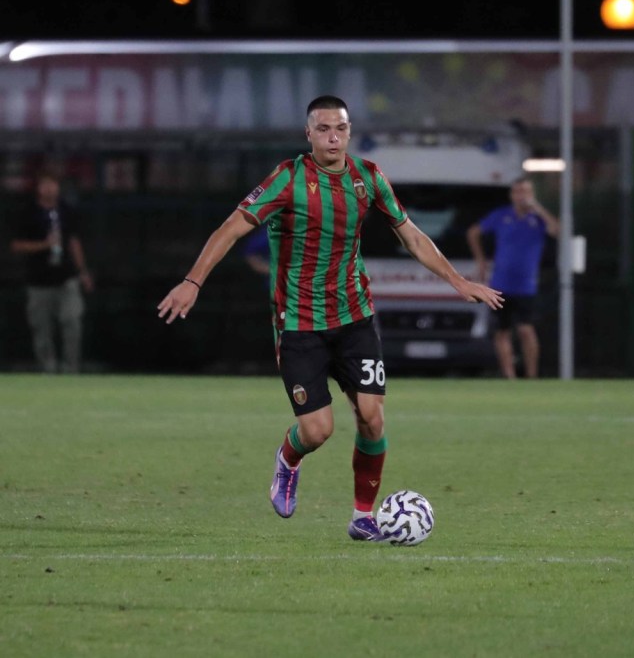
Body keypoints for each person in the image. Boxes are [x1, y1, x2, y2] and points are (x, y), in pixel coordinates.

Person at [157, 95, 503, 541]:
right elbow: (231, 228)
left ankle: (363, 516)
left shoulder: (368, 177)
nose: (333, 137)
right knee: (318, 430)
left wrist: (458, 282)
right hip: (300, 322)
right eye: (323, 129)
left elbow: (412, 236)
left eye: (339, 128)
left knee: (372, 418)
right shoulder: (288, 179)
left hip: (355, 316)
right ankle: (288, 460)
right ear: (309, 134)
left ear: (350, 131)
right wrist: (193, 281)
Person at [466, 176, 559, 378]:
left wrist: (538, 208)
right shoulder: (501, 216)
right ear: (512, 195)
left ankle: (531, 376)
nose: (522, 196)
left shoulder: (538, 220)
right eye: (518, 192)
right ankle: (510, 377)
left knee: (526, 329)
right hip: (500, 283)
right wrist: (480, 260)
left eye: (526, 192)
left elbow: (557, 230)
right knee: (502, 331)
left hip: (527, 285)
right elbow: (473, 232)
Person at [10, 172, 95, 373]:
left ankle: (70, 369)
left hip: (66, 278)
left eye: (53, 185)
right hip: (38, 281)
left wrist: (83, 272)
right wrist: (44, 244)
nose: (49, 189)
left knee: (72, 320)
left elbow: (74, 243)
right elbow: (16, 245)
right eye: (45, 184)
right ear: (38, 188)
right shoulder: (28, 212)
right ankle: (47, 369)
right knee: (42, 329)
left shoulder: (67, 211)